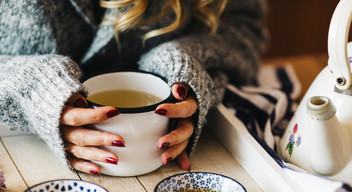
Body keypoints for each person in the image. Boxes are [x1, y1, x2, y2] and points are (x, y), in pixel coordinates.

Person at [0, 0, 266, 174]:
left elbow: (244, 26)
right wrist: (33, 86)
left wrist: (185, 59)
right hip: (22, 159)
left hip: (192, 163)